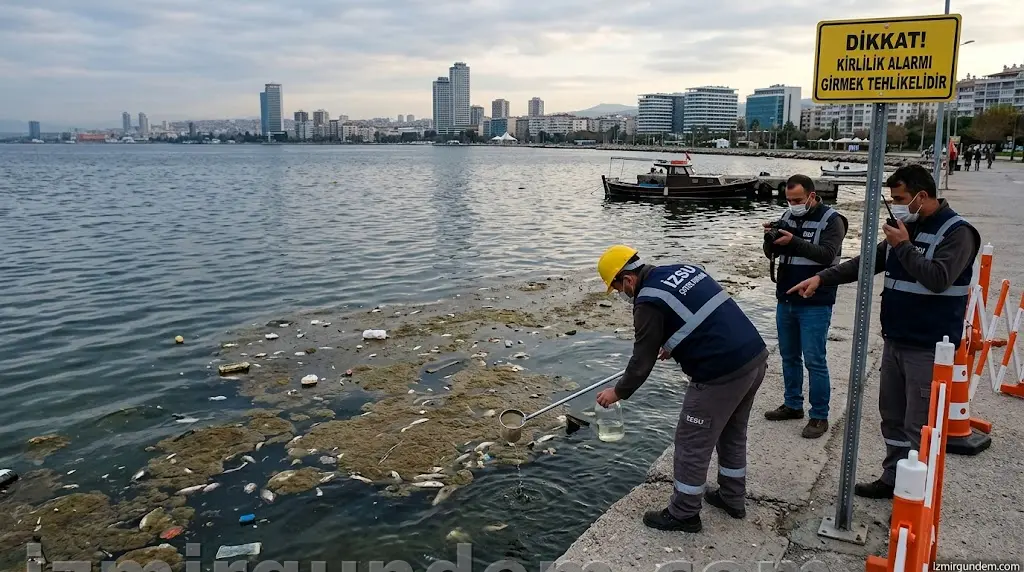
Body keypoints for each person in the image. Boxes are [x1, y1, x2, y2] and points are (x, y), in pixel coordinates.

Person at [787, 163, 980, 499]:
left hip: (929, 345)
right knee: (891, 418)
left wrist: (904, 247)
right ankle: (892, 479)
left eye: (901, 198)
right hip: (895, 340)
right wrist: (821, 278)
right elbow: (864, 264)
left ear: (922, 196)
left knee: (919, 425)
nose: (896, 205)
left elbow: (938, 279)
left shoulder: (957, 232)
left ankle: (916, 496)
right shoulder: (904, 226)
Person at [595, 245, 768, 532]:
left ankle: (684, 513)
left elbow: (641, 360)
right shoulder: (680, 269)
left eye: (618, 288)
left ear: (627, 279)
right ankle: (732, 497)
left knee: (691, 443)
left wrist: (617, 392)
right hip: (754, 359)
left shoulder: (647, 301)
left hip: (720, 373)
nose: (623, 295)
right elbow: (699, 316)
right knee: (733, 432)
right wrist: (674, 342)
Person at [762, 175, 849, 438]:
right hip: (785, 299)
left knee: (815, 360)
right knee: (788, 356)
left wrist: (794, 242)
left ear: (812, 195)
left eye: (798, 200)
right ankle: (792, 404)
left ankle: (819, 415)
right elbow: (773, 254)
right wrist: (769, 240)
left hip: (815, 302)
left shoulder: (833, 220)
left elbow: (827, 254)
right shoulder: (787, 217)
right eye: (789, 200)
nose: (793, 204)